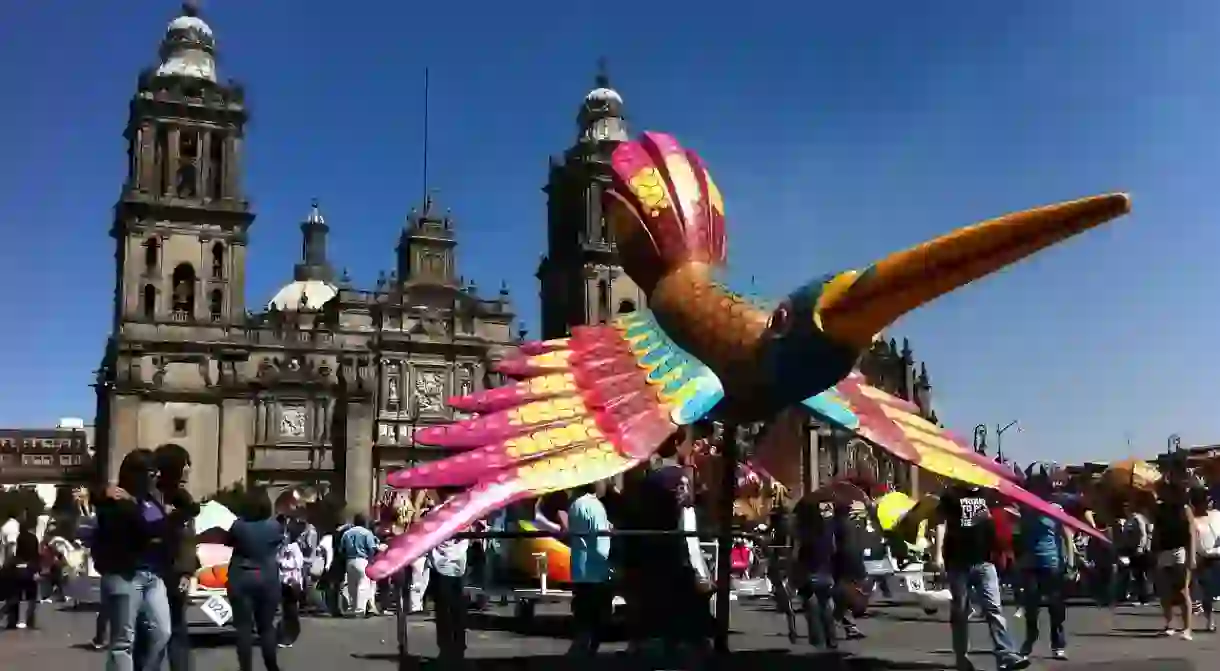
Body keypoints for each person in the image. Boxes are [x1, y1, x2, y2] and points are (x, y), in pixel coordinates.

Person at [932, 484, 1030, 671]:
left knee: (994, 608)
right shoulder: (951, 495)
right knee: (961, 612)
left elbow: (1008, 511)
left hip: (985, 561)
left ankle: (1006, 655)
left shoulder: (989, 493)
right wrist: (937, 555)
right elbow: (940, 523)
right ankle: (962, 657)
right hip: (958, 562)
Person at [94, 449, 173, 671]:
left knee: (162, 632)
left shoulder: (150, 501)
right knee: (123, 641)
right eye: (151, 472)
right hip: (124, 575)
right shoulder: (113, 499)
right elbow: (142, 528)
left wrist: (141, 515)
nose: (156, 477)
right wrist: (136, 511)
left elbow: (164, 529)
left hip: (153, 575)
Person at [205, 488, 284, 671]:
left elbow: (225, 541)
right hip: (267, 577)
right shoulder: (274, 526)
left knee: (244, 629)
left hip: (241, 577)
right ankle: (272, 667)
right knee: (266, 627)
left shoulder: (238, 527)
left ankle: (245, 668)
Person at [152, 443, 200, 671]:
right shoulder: (151, 496)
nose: (189, 470)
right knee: (155, 631)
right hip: (151, 571)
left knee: (177, 628)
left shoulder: (184, 499)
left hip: (173, 573)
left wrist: (186, 571)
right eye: (185, 465)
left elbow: (188, 538)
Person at [1017, 472, 1074, 660]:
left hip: (1052, 562)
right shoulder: (1024, 507)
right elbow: (1018, 533)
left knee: (1056, 606)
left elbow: (1067, 534)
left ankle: (1058, 644)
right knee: (1031, 606)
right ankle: (1030, 639)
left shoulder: (1055, 508)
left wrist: (1071, 562)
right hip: (1030, 563)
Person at [567, 479, 614, 655]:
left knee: (583, 612)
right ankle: (587, 650)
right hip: (596, 568)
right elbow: (600, 537)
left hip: (580, 568)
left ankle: (580, 647)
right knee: (597, 614)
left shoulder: (575, 504)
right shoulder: (595, 505)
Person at [427, 488, 470, 663]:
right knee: (451, 610)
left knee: (450, 610)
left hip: (453, 566)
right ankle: (451, 648)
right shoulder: (460, 512)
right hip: (445, 566)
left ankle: (453, 648)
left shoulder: (465, 513)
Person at [791, 496, 840, 650]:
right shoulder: (825, 529)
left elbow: (796, 556)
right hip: (825, 572)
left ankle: (817, 641)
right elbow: (833, 549)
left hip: (809, 573)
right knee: (825, 606)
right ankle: (831, 639)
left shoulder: (803, 533)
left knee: (811, 608)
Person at [1152, 480, 1195, 638]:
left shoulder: (1184, 509)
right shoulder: (1159, 509)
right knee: (1165, 591)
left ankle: (1187, 628)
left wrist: (1191, 557)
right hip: (1163, 551)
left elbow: (1191, 534)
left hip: (1180, 551)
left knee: (1182, 590)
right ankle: (1169, 624)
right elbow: (1156, 531)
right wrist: (1154, 552)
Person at [1189, 487, 1220, 632]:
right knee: (1208, 592)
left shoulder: (1217, 515)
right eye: (1205, 501)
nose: (1208, 503)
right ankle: (1210, 620)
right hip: (1205, 558)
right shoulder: (1193, 521)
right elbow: (1194, 541)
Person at [2, 515, 41, 629]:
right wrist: (37, 570)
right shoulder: (34, 538)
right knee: (32, 597)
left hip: (18, 569)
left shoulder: (19, 538)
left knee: (15, 596)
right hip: (30, 569)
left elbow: (14, 554)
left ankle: (12, 621)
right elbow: (36, 555)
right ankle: (30, 620)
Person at [339, 514, 380, 617]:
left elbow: (341, 548)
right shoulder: (367, 533)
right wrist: (371, 558)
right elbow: (371, 548)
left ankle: (351, 607)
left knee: (352, 585)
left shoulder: (347, 533)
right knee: (363, 584)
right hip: (362, 560)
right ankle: (359, 609)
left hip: (349, 560)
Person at [277, 524, 305, 648]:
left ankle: (289, 636)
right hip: (283, 581)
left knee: (291, 610)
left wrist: (282, 562)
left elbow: (298, 562)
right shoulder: (281, 547)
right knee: (286, 610)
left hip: (292, 582)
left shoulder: (294, 547)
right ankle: (285, 634)